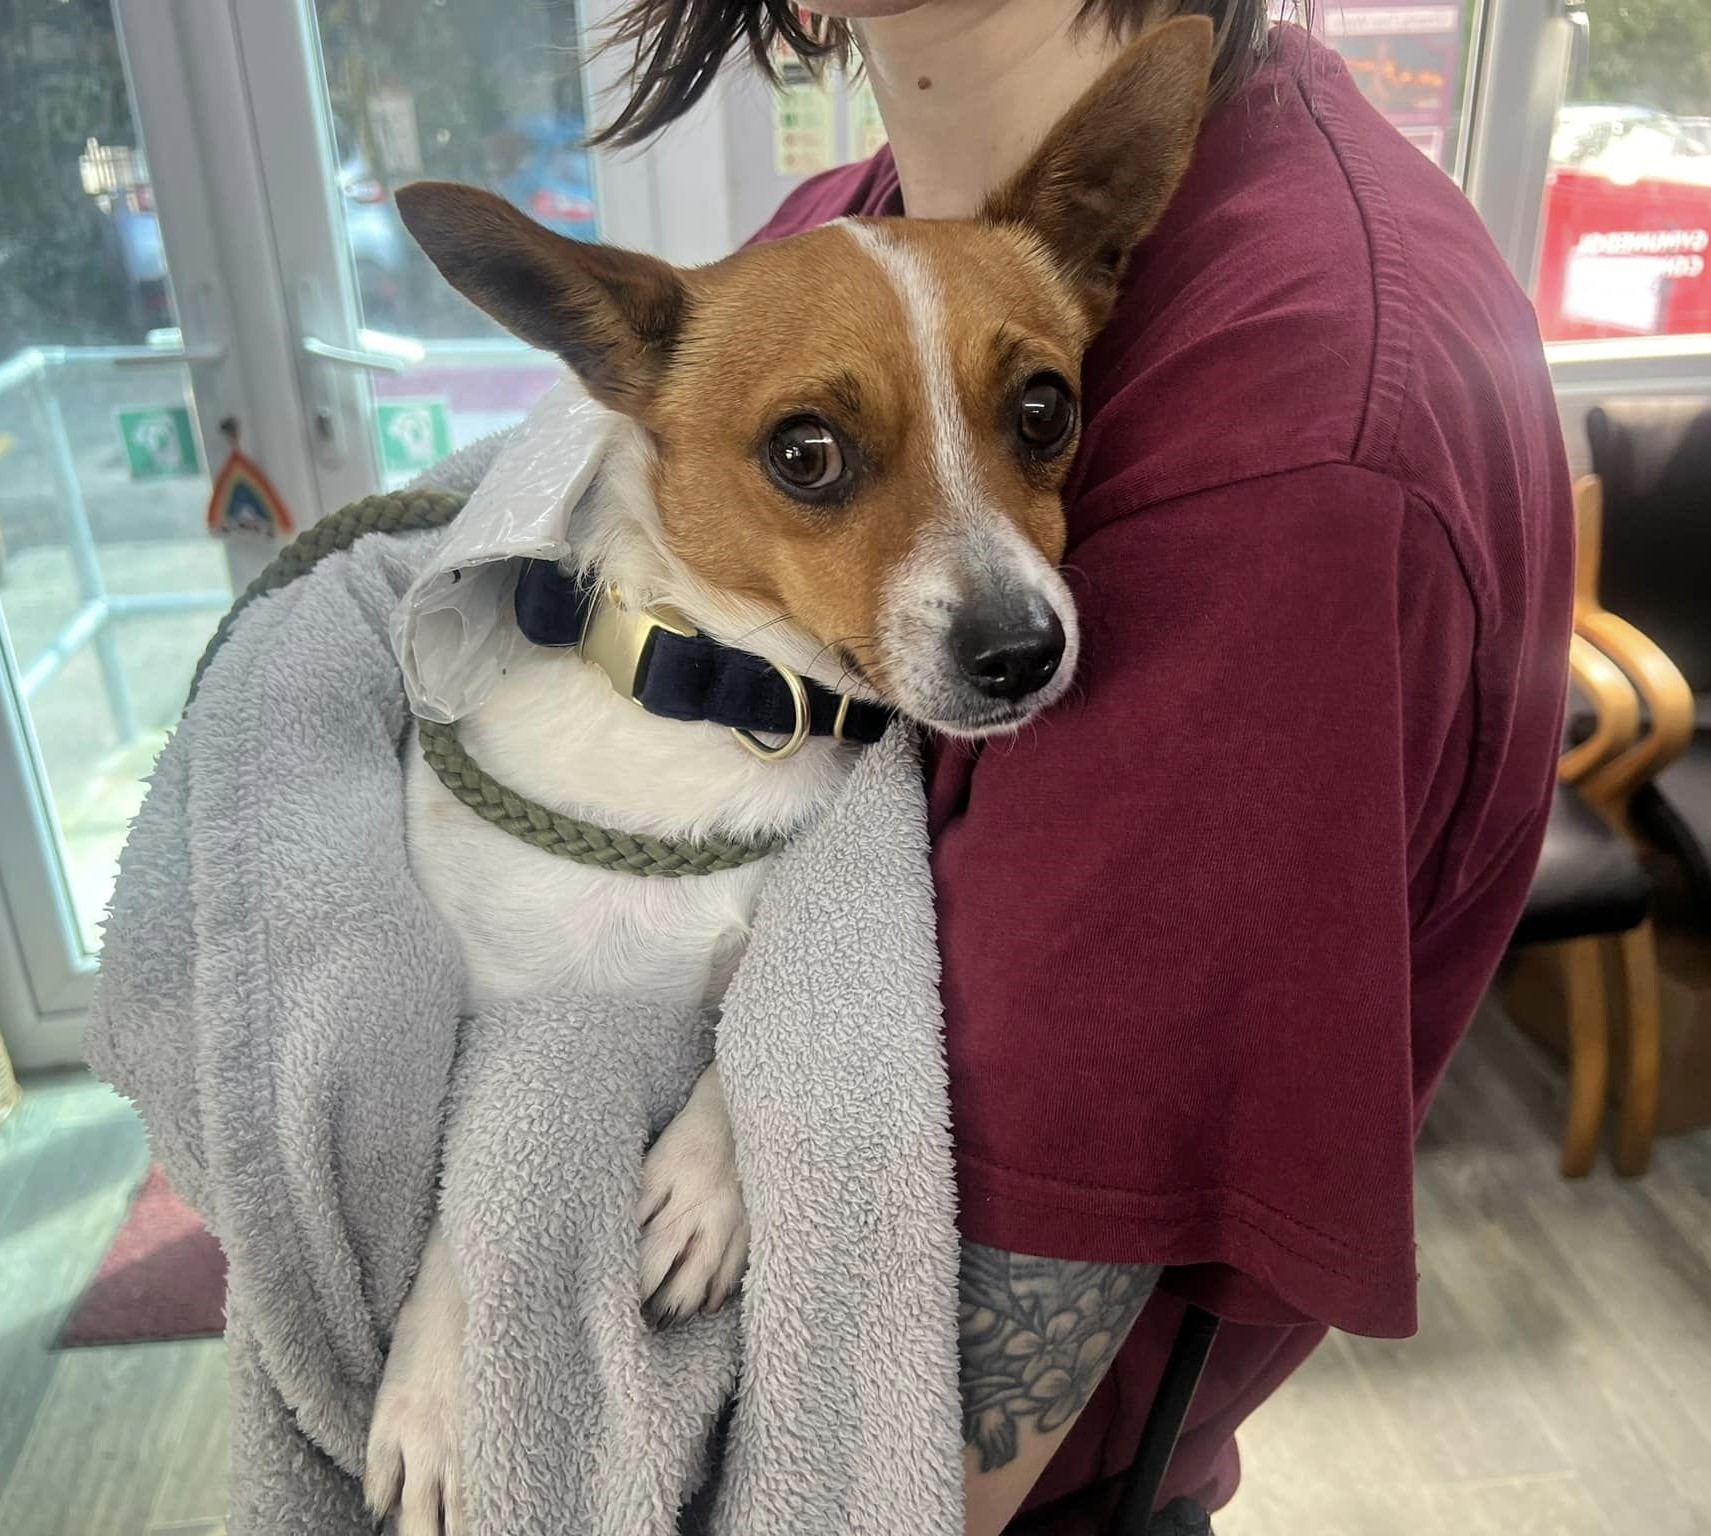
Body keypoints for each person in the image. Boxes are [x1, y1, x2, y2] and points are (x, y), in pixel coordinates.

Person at [595, 1, 1573, 1532]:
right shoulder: (836, 234)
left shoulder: (1288, 421)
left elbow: (910, 1474)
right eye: (811, 457)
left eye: (1041, 418)